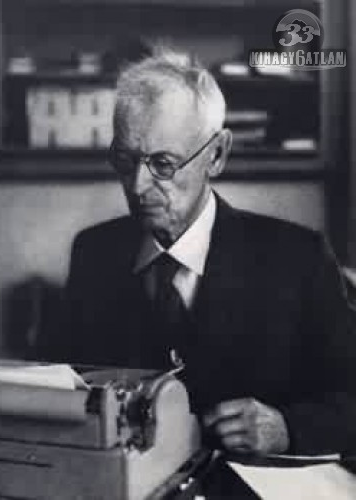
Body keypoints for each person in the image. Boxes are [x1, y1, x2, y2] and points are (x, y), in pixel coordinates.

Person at [45, 49, 356, 458]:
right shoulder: (95, 252)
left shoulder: (298, 259)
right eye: (125, 160)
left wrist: (287, 428)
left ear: (216, 155)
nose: (137, 186)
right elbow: (61, 390)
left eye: (163, 164)